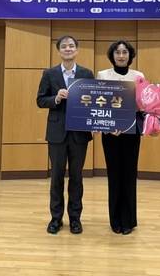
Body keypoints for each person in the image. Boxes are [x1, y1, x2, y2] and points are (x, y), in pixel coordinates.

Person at [36, 35, 94, 235]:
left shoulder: (86, 73)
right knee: (57, 177)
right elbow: (40, 100)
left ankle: (75, 219)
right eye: (64, 46)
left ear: (77, 50)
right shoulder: (49, 73)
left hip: (79, 133)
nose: (68, 49)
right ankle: (56, 219)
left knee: (76, 177)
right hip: (56, 133)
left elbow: (93, 101)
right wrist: (56, 98)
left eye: (71, 46)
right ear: (58, 51)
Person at [97, 40, 145, 235]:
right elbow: (99, 104)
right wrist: (110, 126)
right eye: (117, 52)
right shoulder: (102, 75)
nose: (121, 55)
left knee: (129, 175)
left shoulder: (139, 76)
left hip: (132, 133)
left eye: (125, 52)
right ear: (112, 55)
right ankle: (115, 220)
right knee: (114, 175)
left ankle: (128, 220)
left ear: (130, 55)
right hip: (110, 134)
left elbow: (142, 105)